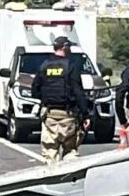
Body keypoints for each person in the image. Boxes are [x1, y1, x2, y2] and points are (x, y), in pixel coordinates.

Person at [31, 36, 90, 164]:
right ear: (64, 47)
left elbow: (34, 90)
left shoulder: (44, 66)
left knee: (50, 153)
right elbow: (78, 92)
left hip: (50, 116)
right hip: (68, 116)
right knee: (70, 151)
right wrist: (85, 114)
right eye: (69, 47)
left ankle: (53, 179)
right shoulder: (71, 66)